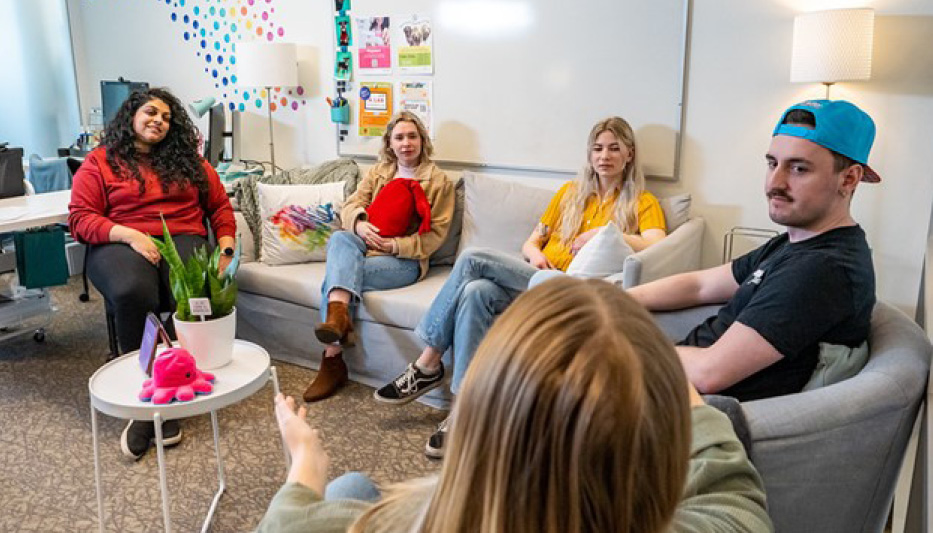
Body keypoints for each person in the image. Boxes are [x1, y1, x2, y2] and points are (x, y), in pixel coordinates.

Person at [257, 278, 773, 532]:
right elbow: (729, 478)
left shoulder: (412, 520)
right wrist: (648, 361)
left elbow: (288, 521)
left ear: (484, 420)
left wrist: (305, 458)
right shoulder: (718, 522)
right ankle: (430, 363)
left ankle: (429, 366)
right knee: (478, 283)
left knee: (348, 487)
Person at [374, 116, 667, 458]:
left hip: (569, 290)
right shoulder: (570, 194)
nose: (605, 156)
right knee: (474, 292)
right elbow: (532, 241)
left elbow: (656, 243)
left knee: (471, 259)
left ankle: (427, 363)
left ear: (629, 154)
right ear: (589, 154)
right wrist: (534, 255)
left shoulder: (642, 202)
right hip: (538, 277)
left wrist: (608, 235)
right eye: (598, 148)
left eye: (614, 148)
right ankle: (464, 411)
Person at [628, 99, 877, 402]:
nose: (775, 182)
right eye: (773, 163)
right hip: (676, 374)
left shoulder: (821, 269)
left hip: (690, 406)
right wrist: (613, 299)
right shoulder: (796, 240)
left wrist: (622, 345)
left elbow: (710, 372)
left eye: (798, 168)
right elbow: (700, 286)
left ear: (848, 179)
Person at [69, 87, 236, 460]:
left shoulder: (190, 163)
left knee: (194, 293)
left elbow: (220, 207)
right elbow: (80, 218)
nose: (158, 120)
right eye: (150, 112)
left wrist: (225, 248)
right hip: (120, 239)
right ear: (131, 115)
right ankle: (143, 395)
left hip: (182, 235)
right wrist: (129, 235)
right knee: (132, 292)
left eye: (166, 117)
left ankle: (173, 379)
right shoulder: (100, 162)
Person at [304, 111, 455, 402]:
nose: (406, 143)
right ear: (390, 143)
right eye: (399, 137)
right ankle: (337, 326)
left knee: (337, 279)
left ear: (422, 141)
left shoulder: (438, 182)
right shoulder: (379, 171)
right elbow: (351, 205)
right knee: (340, 237)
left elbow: (436, 236)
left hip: (404, 262)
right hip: (364, 248)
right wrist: (360, 224)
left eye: (412, 136)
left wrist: (394, 245)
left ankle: (332, 356)